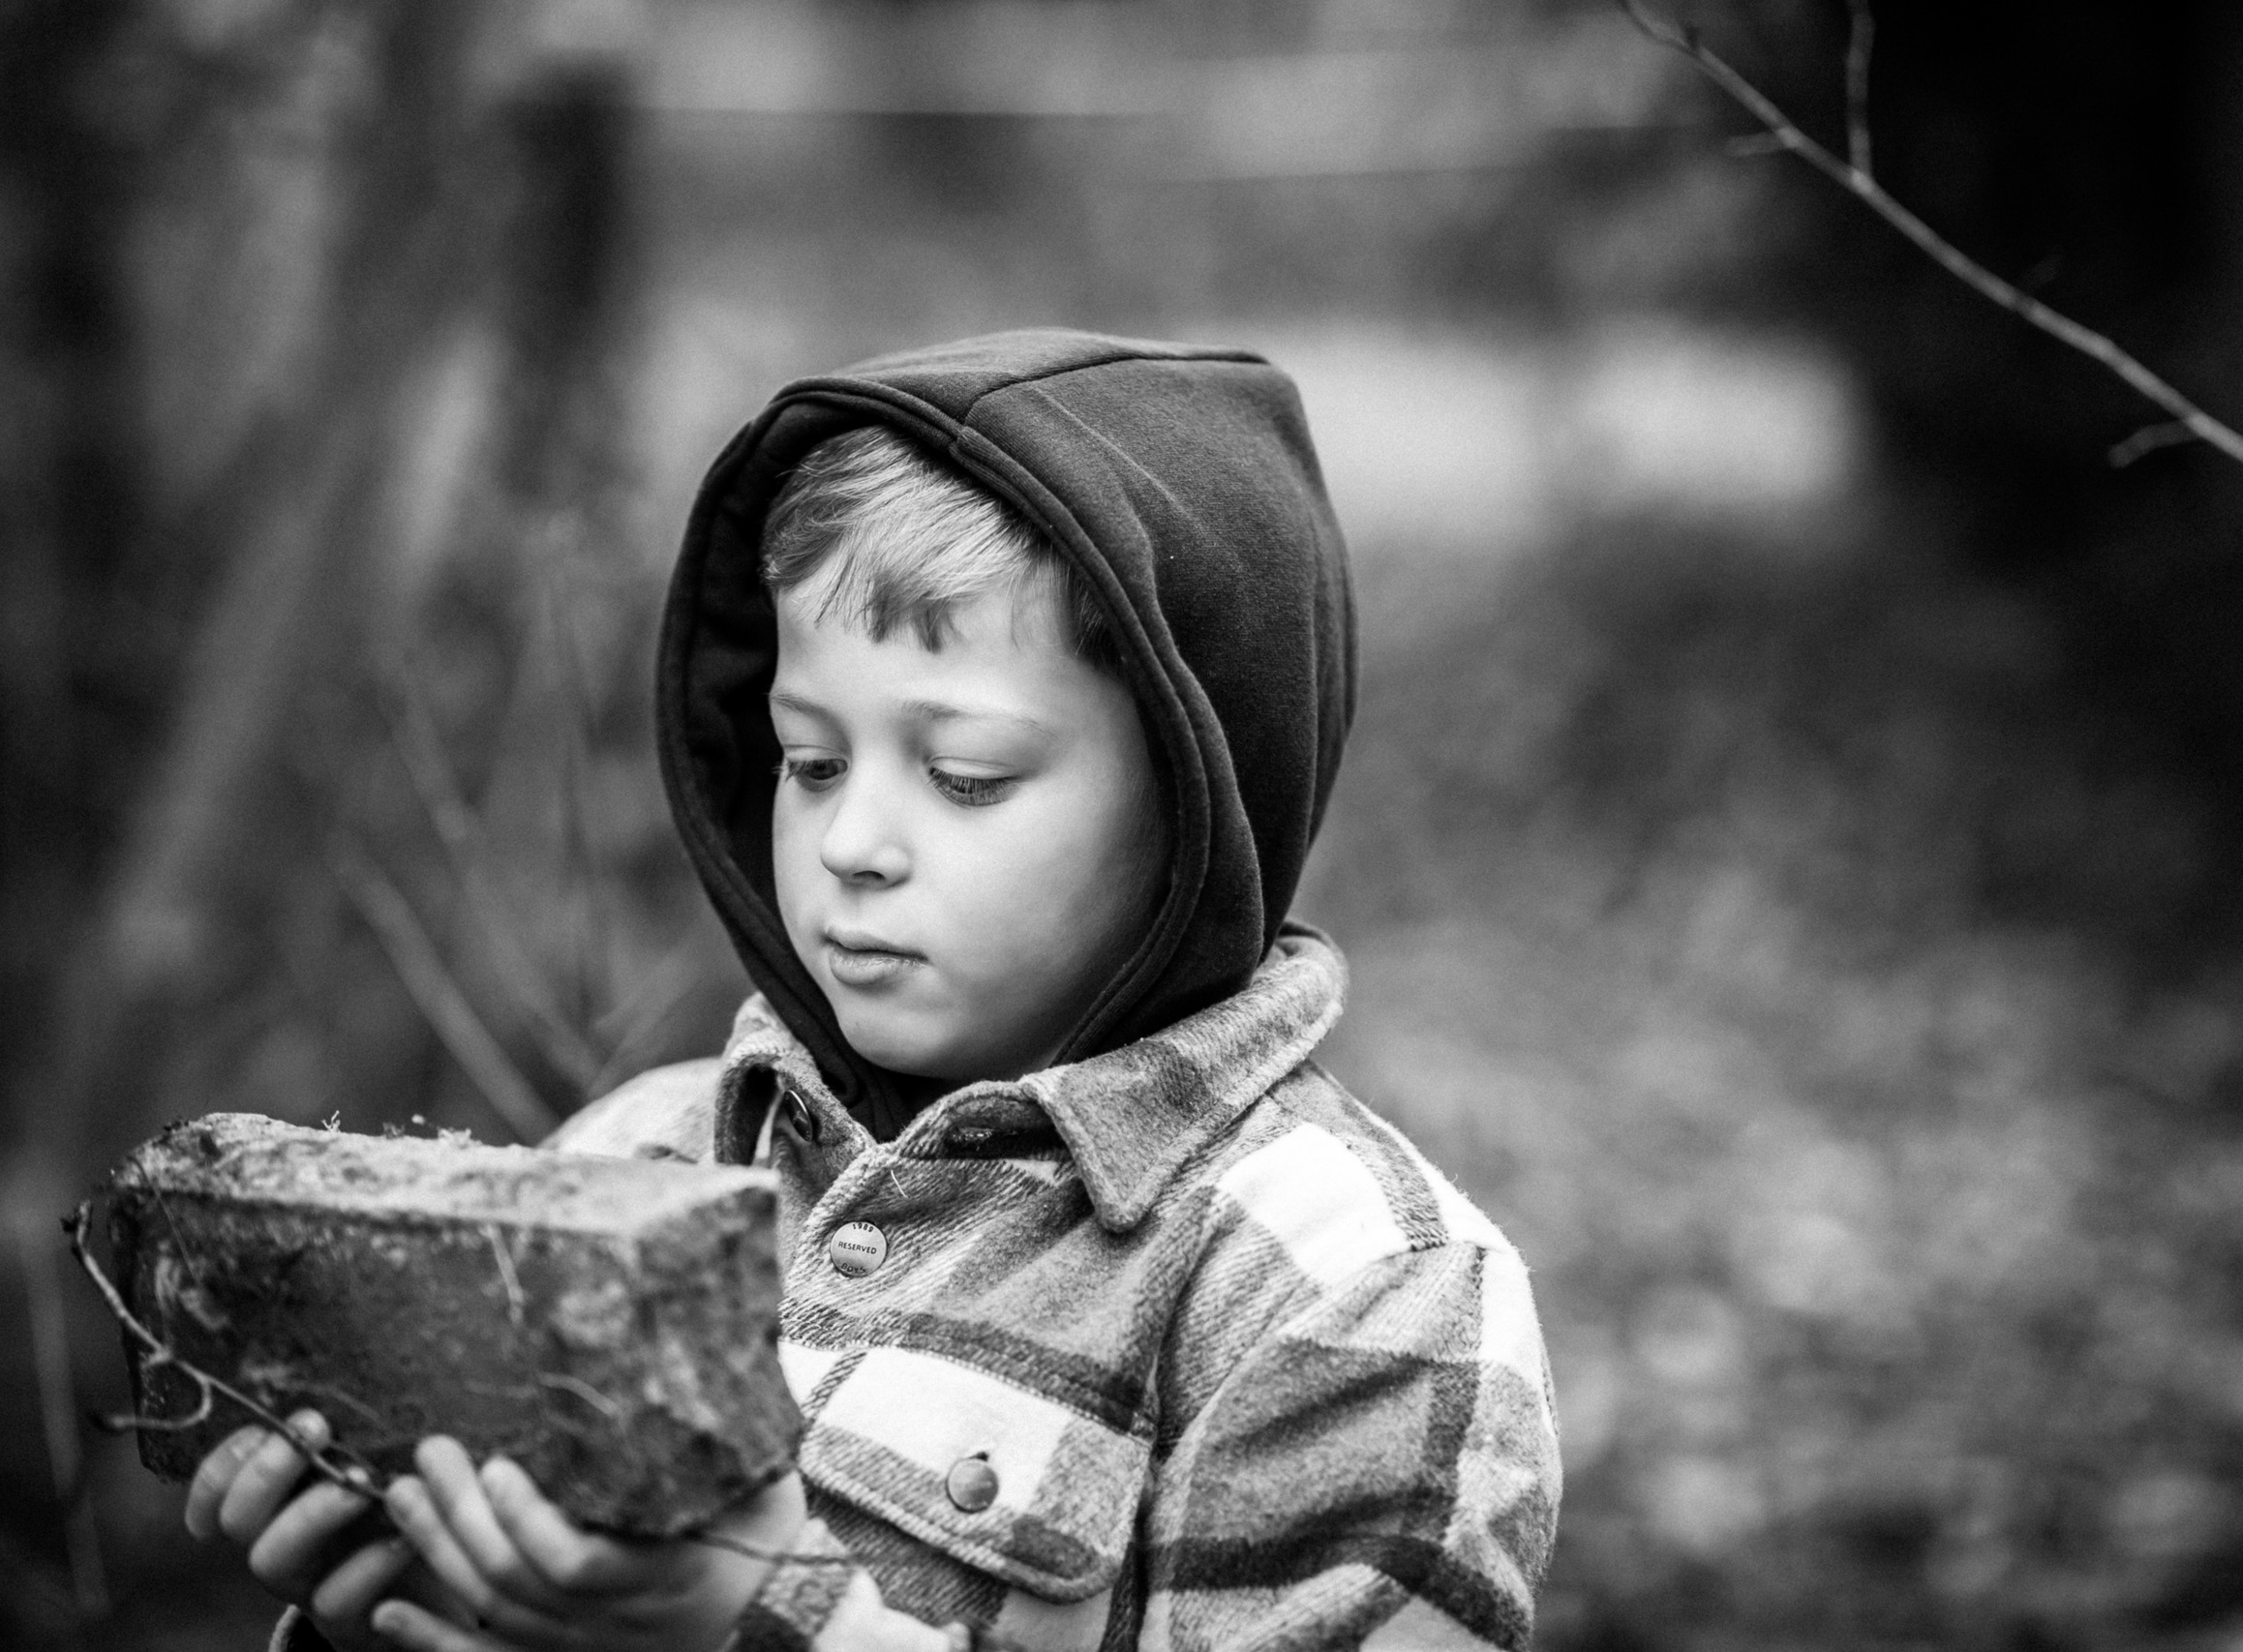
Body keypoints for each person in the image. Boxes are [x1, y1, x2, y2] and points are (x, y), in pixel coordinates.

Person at [184, 329, 1561, 1651]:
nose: (849, 846)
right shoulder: (631, 1161)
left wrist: (759, 1623)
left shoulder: (1352, 1290)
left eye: (964, 777)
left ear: (1202, 803)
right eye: (811, 759)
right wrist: (415, 1604)